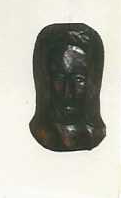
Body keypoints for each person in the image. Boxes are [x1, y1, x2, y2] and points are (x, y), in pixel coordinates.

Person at [30, 22, 106, 151]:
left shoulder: (92, 133)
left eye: (78, 79)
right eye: (59, 78)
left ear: (94, 80)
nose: (68, 92)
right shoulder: (44, 132)